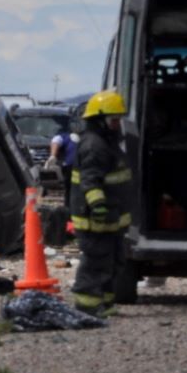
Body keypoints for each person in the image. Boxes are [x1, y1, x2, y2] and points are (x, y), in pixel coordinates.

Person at [69, 90, 134, 315]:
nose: (118, 125)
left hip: (110, 217)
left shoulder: (108, 142)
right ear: (100, 120)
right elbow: (90, 180)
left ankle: (104, 303)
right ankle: (87, 306)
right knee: (96, 262)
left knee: (112, 261)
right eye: (114, 120)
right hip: (94, 218)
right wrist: (98, 206)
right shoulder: (94, 145)